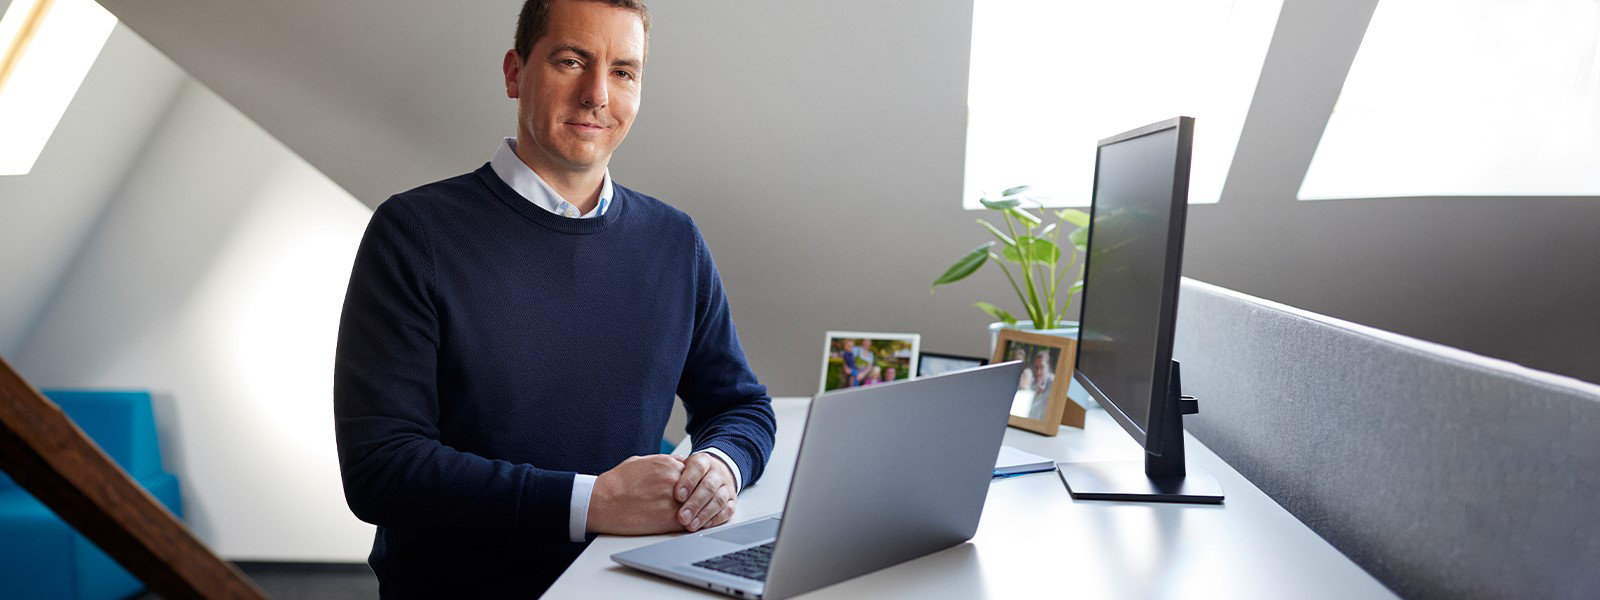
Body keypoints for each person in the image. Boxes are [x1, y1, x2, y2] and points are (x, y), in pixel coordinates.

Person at [332, 1, 775, 596]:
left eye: (624, 71)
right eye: (572, 61)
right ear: (515, 73)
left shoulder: (675, 241)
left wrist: (720, 467)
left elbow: (741, 406)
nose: (597, 94)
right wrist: (591, 502)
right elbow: (381, 468)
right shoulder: (413, 233)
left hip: (626, 586)